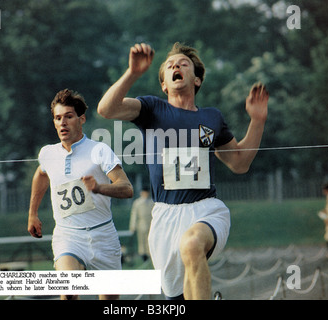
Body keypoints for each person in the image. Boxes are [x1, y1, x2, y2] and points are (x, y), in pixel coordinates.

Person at [97, 42, 269, 299]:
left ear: (196, 80)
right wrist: (132, 73)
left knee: (192, 244)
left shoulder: (212, 118)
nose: (176, 66)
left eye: (183, 64)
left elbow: (239, 162)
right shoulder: (151, 109)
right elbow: (106, 109)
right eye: (169, 66)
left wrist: (257, 121)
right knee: (176, 297)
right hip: (165, 217)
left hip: (206, 208)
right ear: (164, 84)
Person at [27, 89, 133, 300]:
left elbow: (127, 188)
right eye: (58, 118)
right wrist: (33, 213)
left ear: (81, 119)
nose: (63, 123)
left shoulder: (99, 150)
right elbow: (41, 175)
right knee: (68, 291)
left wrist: (99, 188)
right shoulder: (47, 153)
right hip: (68, 236)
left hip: (103, 236)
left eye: (68, 116)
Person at [129, 187, 154, 262]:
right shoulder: (137, 203)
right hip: (141, 224)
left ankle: (150, 256)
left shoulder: (152, 202)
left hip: (150, 224)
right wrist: (133, 226)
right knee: (142, 242)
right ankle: (143, 257)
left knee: (149, 241)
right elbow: (134, 215)